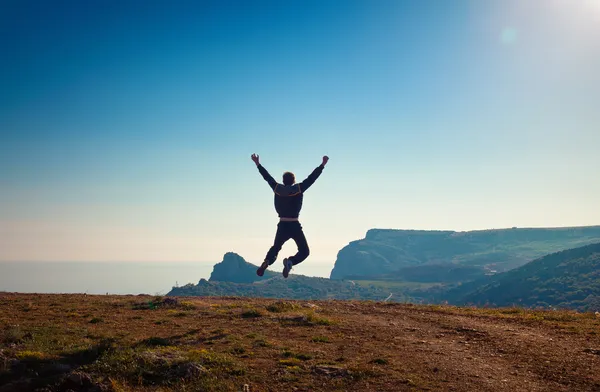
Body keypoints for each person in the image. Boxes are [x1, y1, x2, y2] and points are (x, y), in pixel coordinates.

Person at [251, 153, 329, 278]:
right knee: (304, 251)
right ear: (293, 181)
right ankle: (290, 262)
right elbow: (311, 178)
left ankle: (267, 261)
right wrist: (322, 165)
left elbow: (267, 177)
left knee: (276, 248)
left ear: (283, 181)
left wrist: (257, 164)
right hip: (294, 224)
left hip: (282, 224)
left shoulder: (277, 188)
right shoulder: (299, 188)